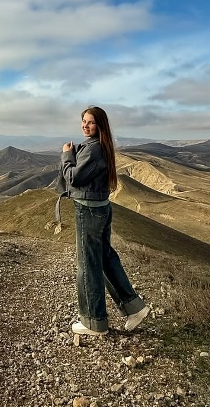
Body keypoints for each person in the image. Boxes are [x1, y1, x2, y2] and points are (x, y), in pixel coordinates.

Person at [58, 106, 150, 336]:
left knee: (88, 265)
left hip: (88, 211)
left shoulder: (95, 148)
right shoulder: (100, 146)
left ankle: (93, 321)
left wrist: (67, 155)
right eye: (83, 121)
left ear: (100, 126)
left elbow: (74, 178)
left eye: (90, 122)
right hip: (100, 208)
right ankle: (133, 308)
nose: (85, 126)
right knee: (105, 258)